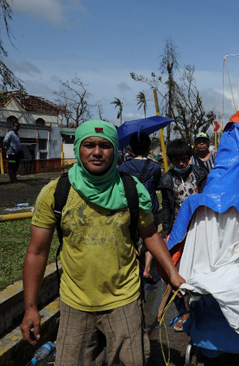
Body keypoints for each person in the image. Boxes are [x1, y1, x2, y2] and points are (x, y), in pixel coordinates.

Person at [20, 120, 185, 366]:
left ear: (116, 150)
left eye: (105, 146)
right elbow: (36, 252)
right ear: (78, 148)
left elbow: (150, 234)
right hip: (75, 302)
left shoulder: (131, 189)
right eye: (89, 145)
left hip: (125, 300)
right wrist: (31, 307)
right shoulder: (56, 192)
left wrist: (172, 274)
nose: (97, 152)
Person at [159, 138, 207, 331]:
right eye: (177, 160)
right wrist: (167, 233)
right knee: (173, 275)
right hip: (178, 234)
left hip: (200, 228)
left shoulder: (201, 174)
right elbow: (167, 209)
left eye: (185, 159)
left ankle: (203, 312)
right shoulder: (167, 180)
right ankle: (184, 313)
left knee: (200, 272)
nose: (182, 163)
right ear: (171, 160)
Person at [119, 132, 162, 283]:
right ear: (148, 147)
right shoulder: (155, 167)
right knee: (149, 236)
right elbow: (156, 184)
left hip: (130, 207)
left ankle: (136, 266)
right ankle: (147, 269)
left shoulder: (124, 167)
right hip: (149, 206)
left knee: (132, 238)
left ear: (131, 148)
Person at [3, 117, 23, 183]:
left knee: (15, 166)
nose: (17, 127)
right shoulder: (10, 133)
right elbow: (5, 141)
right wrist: (8, 147)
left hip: (17, 153)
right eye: (16, 126)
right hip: (12, 154)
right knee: (11, 166)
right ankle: (12, 179)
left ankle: (14, 178)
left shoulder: (16, 134)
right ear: (13, 126)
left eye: (18, 126)